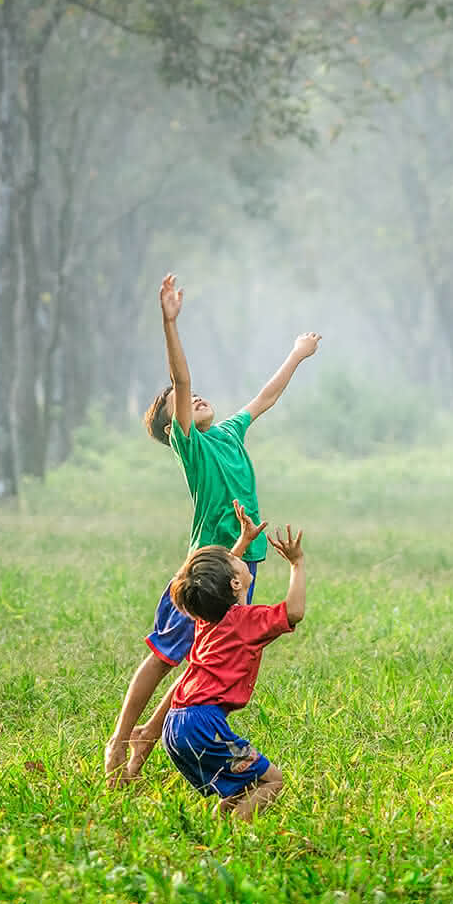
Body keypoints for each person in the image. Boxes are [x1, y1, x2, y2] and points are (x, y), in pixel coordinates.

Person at [103, 272, 320, 783]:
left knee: (205, 660)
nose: (195, 397)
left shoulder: (229, 432)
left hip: (244, 563)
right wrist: (170, 323)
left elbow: (265, 397)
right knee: (165, 655)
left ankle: (144, 746)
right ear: (172, 426)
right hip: (206, 568)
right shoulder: (192, 446)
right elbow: (180, 379)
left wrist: (296, 354)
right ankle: (120, 741)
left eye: (198, 395)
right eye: (182, 402)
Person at [161, 511, 306, 819]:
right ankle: (236, 835)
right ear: (236, 582)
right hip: (203, 726)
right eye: (235, 559)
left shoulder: (207, 617)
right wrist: (297, 564)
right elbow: (294, 612)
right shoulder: (247, 622)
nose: (237, 557)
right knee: (272, 781)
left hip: (175, 724)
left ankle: (218, 826)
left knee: (242, 785)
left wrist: (243, 541)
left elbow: (222, 582)